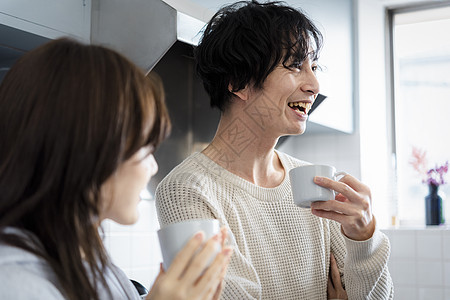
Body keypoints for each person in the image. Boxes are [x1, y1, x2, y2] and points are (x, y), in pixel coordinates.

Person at [155, 1, 394, 299]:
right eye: (295, 65)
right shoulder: (186, 191)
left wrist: (364, 238)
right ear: (239, 82)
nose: (314, 84)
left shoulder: (313, 185)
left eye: (314, 67)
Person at [0, 38, 232, 300]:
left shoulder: (90, 261)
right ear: (88, 150)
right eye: (145, 149)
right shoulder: (15, 283)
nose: (153, 167)